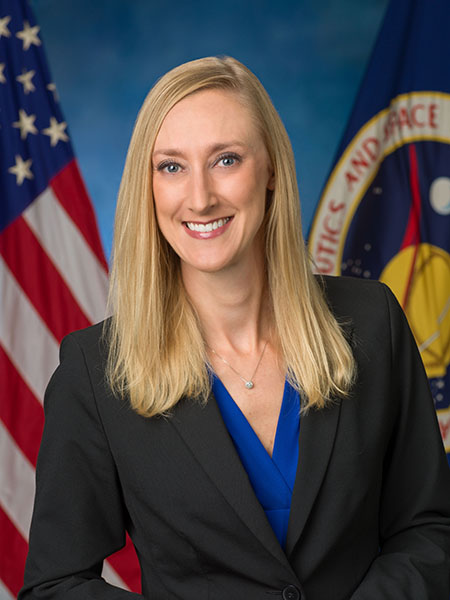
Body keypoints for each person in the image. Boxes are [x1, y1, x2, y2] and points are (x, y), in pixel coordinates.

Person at [19, 56, 450, 600]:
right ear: (147, 187)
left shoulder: (372, 321)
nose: (200, 198)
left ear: (271, 171)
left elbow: (429, 529)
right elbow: (56, 585)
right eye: (171, 167)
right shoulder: (96, 371)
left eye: (226, 160)